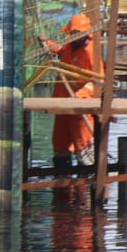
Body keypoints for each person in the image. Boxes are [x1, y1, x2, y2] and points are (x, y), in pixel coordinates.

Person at [46, 13, 102, 167]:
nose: (73, 36)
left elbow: (98, 79)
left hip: (79, 106)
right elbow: (59, 50)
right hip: (62, 101)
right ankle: (61, 182)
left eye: (76, 33)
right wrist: (47, 44)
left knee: (82, 145)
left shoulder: (91, 52)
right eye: (71, 33)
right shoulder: (69, 45)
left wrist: (81, 94)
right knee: (60, 144)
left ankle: (85, 182)